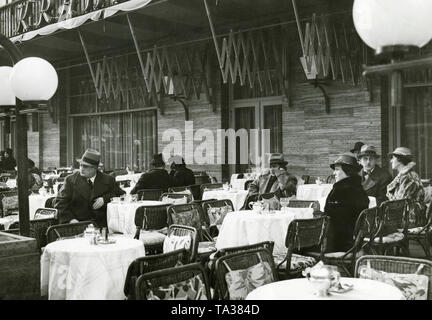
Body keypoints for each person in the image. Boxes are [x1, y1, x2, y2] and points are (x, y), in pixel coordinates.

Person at [54, 149, 125, 227]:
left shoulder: (108, 180)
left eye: (85, 166)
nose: (82, 169)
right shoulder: (70, 180)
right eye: (81, 165)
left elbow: (122, 195)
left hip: (102, 225)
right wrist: (70, 220)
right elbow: (60, 203)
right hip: (77, 225)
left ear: (95, 168)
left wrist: (105, 199)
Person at [324, 153, 369, 252]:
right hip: (354, 242)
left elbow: (330, 218)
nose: (334, 173)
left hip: (336, 244)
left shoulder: (340, 190)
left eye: (337, 170)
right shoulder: (359, 189)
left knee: (296, 246)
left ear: (347, 171)